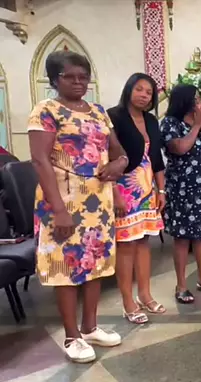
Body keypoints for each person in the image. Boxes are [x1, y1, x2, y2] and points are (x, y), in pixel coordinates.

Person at [29, 51, 127, 362]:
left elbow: (117, 151)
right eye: (69, 77)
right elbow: (39, 160)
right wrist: (59, 210)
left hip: (98, 200)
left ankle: (90, 328)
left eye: (83, 77)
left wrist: (119, 165)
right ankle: (72, 337)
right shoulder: (46, 111)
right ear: (54, 79)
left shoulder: (98, 111)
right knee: (67, 267)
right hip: (63, 201)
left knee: (96, 262)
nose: (77, 82)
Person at [108, 73, 166, 324]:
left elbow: (157, 158)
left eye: (149, 92)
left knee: (144, 242)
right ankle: (127, 301)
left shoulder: (151, 120)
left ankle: (145, 294)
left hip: (147, 188)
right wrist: (114, 193)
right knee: (126, 245)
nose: (144, 95)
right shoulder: (114, 117)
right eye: (139, 89)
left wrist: (161, 190)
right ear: (129, 89)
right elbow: (107, 157)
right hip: (124, 188)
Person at [161, 84, 201, 304]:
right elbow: (180, 148)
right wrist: (197, 126)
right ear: (185, 101)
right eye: (196, 99)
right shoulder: (171, 123)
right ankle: (181, 285)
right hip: (181, 190)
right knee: (182, 238)